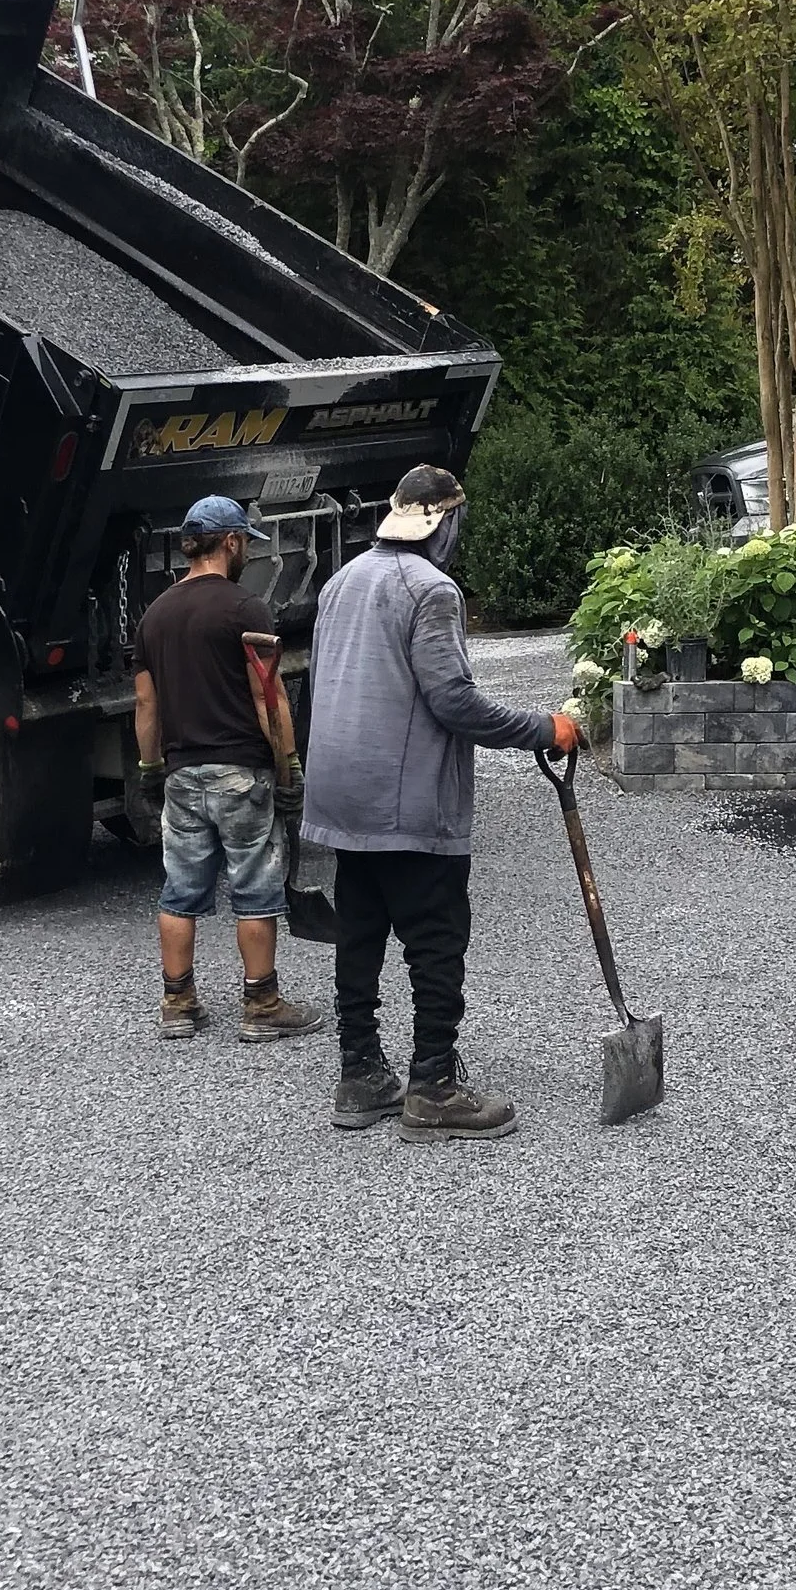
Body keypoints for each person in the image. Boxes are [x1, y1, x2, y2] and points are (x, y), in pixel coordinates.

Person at [302, 462, 581, 1141]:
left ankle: (359, 1072)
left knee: (360, 929)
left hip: (341, 791)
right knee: (435, 936)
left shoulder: (341, 581)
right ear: (446, 522)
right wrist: (545, 728)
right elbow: (454, 702)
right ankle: (432, 1085)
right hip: (406, 798)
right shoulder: (432, 590)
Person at [131, 493, 321, 1044]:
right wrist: (289, 768)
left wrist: (149, 768)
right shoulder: (244, 610)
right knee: (256, 888)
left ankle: (177, 1002)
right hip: (241, 771)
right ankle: (261, 1004)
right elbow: (271, 700)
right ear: (232, 542)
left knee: (179, 889)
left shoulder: (154, 616)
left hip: (182, 774)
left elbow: (147, 704)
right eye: (246, 544)